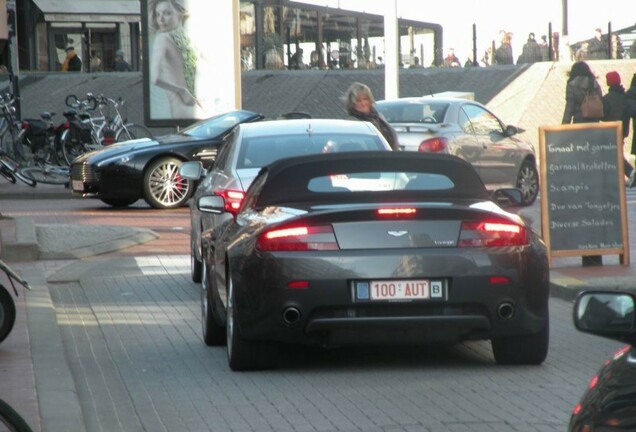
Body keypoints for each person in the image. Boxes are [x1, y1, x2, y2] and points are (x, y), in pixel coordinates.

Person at [561, 61, 603, 267]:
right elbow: (600, 101)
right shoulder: (594, 83)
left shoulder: (572, 85)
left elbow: (569, 108)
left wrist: (562, 129)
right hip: (594, 125)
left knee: (580, 161)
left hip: (578, 126)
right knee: (593, 160)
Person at [149, 0, 197, 118]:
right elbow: (154, 78)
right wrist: (181, 91)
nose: (161, 19)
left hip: (195, 106)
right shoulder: (162, 39)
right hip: (183, 107)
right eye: (158, 14)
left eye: (166, 13)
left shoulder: (185, 37)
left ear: (179, 14)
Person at [344, 82, 399, 151]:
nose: (363, 103)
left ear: (370, 100)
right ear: (352, 103)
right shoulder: (352, 123)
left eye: (365, 99)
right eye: (358, 100)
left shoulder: (379, 117)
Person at [602, 71, 634, 186]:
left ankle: (631, 172)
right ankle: (628, 174)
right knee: (616, 153)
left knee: (614, 155)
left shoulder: (606, 99)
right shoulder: (625, 97)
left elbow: (602, 115)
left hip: (610, 131)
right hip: (622, 131)